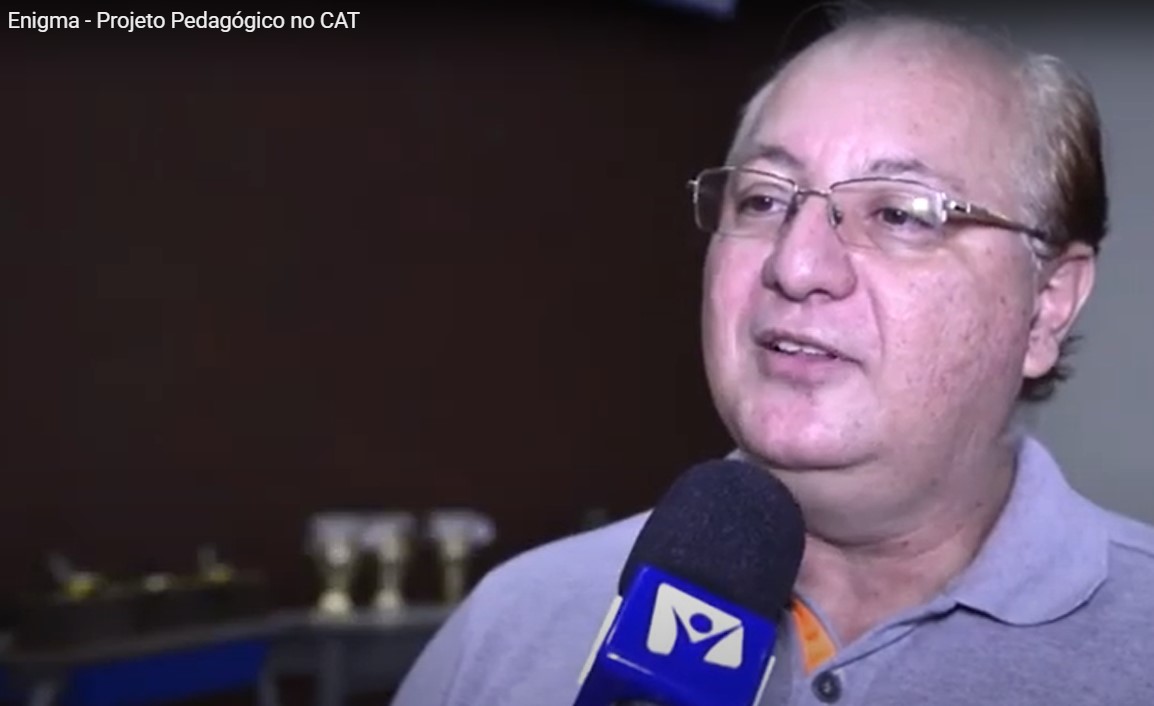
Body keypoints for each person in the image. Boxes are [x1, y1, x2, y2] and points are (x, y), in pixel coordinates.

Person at [392, 9, 1154, 705]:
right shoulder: (510, 631)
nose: (796, 264)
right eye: (763, 200)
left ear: (1047, 303)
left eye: (897, 213)